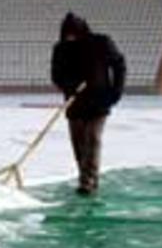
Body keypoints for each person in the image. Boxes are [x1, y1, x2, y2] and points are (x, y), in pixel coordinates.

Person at [52, 13, 126, 196]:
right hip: (75, 103)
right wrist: (68, 86)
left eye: (73, 34)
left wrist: (116, 91)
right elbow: (56, 74)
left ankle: (89, 181)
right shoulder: (61, 48)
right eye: (67, 35)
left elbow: (119, 64)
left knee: (92, 138)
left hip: (99, 102)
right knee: (78, 144)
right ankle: (85, 176)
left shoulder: (101, 43)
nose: (70, 38)